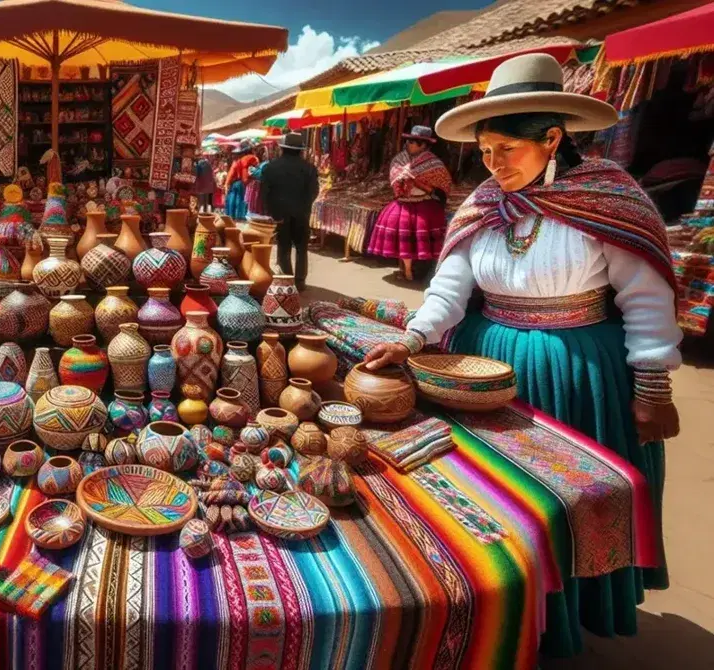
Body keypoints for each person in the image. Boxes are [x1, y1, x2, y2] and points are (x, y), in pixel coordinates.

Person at [363, 54, 681, 656]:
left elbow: (645, 298)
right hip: (484, 369)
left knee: (568, 501)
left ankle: (563, 620)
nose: (494, 164)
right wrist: (410, 339)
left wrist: (653, 388)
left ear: (552, 138)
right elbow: (449, 291)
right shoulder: (484, 205)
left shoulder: (608, 198)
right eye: (485, 152)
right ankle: (502, 621)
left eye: (507, 149)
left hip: (577, 373)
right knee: (498, 502)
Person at [366, 125, 453, 281]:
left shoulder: (434, 164)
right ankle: (406, 270)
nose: (410, 144)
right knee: (403, 238)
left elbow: (442, 186)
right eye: (409, 141)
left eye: (415, 142)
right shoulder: (399, 160)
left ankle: (418, 270)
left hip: (424, 204)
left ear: (425, 145)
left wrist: (418, 183)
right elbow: (394, 178)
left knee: (420, 239)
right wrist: (402, 181)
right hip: (403, 203)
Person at [261, 132, 319, 289]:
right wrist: (304, 207)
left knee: (283, 247)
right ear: (300, 150)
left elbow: (265, 194)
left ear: (282, 148)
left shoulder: (270, 168)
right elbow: (314, 192)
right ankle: (300, 282)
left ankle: (287, 280)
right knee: (301, 248)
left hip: (281, 214)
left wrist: (274, 213)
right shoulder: (310, 169)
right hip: (302, 214)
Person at [224, 142, 258, 220]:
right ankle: (241, 217)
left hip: (235, 184)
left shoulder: (236, 161)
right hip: (244, 183)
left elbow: (230, 174)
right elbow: (254, 173)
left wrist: (226, 184)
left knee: (233, 200)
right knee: (242, 200)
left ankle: (231, 217)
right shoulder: (252, 159)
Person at [244, 145, 269, 216]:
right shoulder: (260, 163)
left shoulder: (265, 164)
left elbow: (259, 174)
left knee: (256, 205)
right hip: (255, 188)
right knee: (254, 205)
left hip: (258, 187)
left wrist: (252, 171)